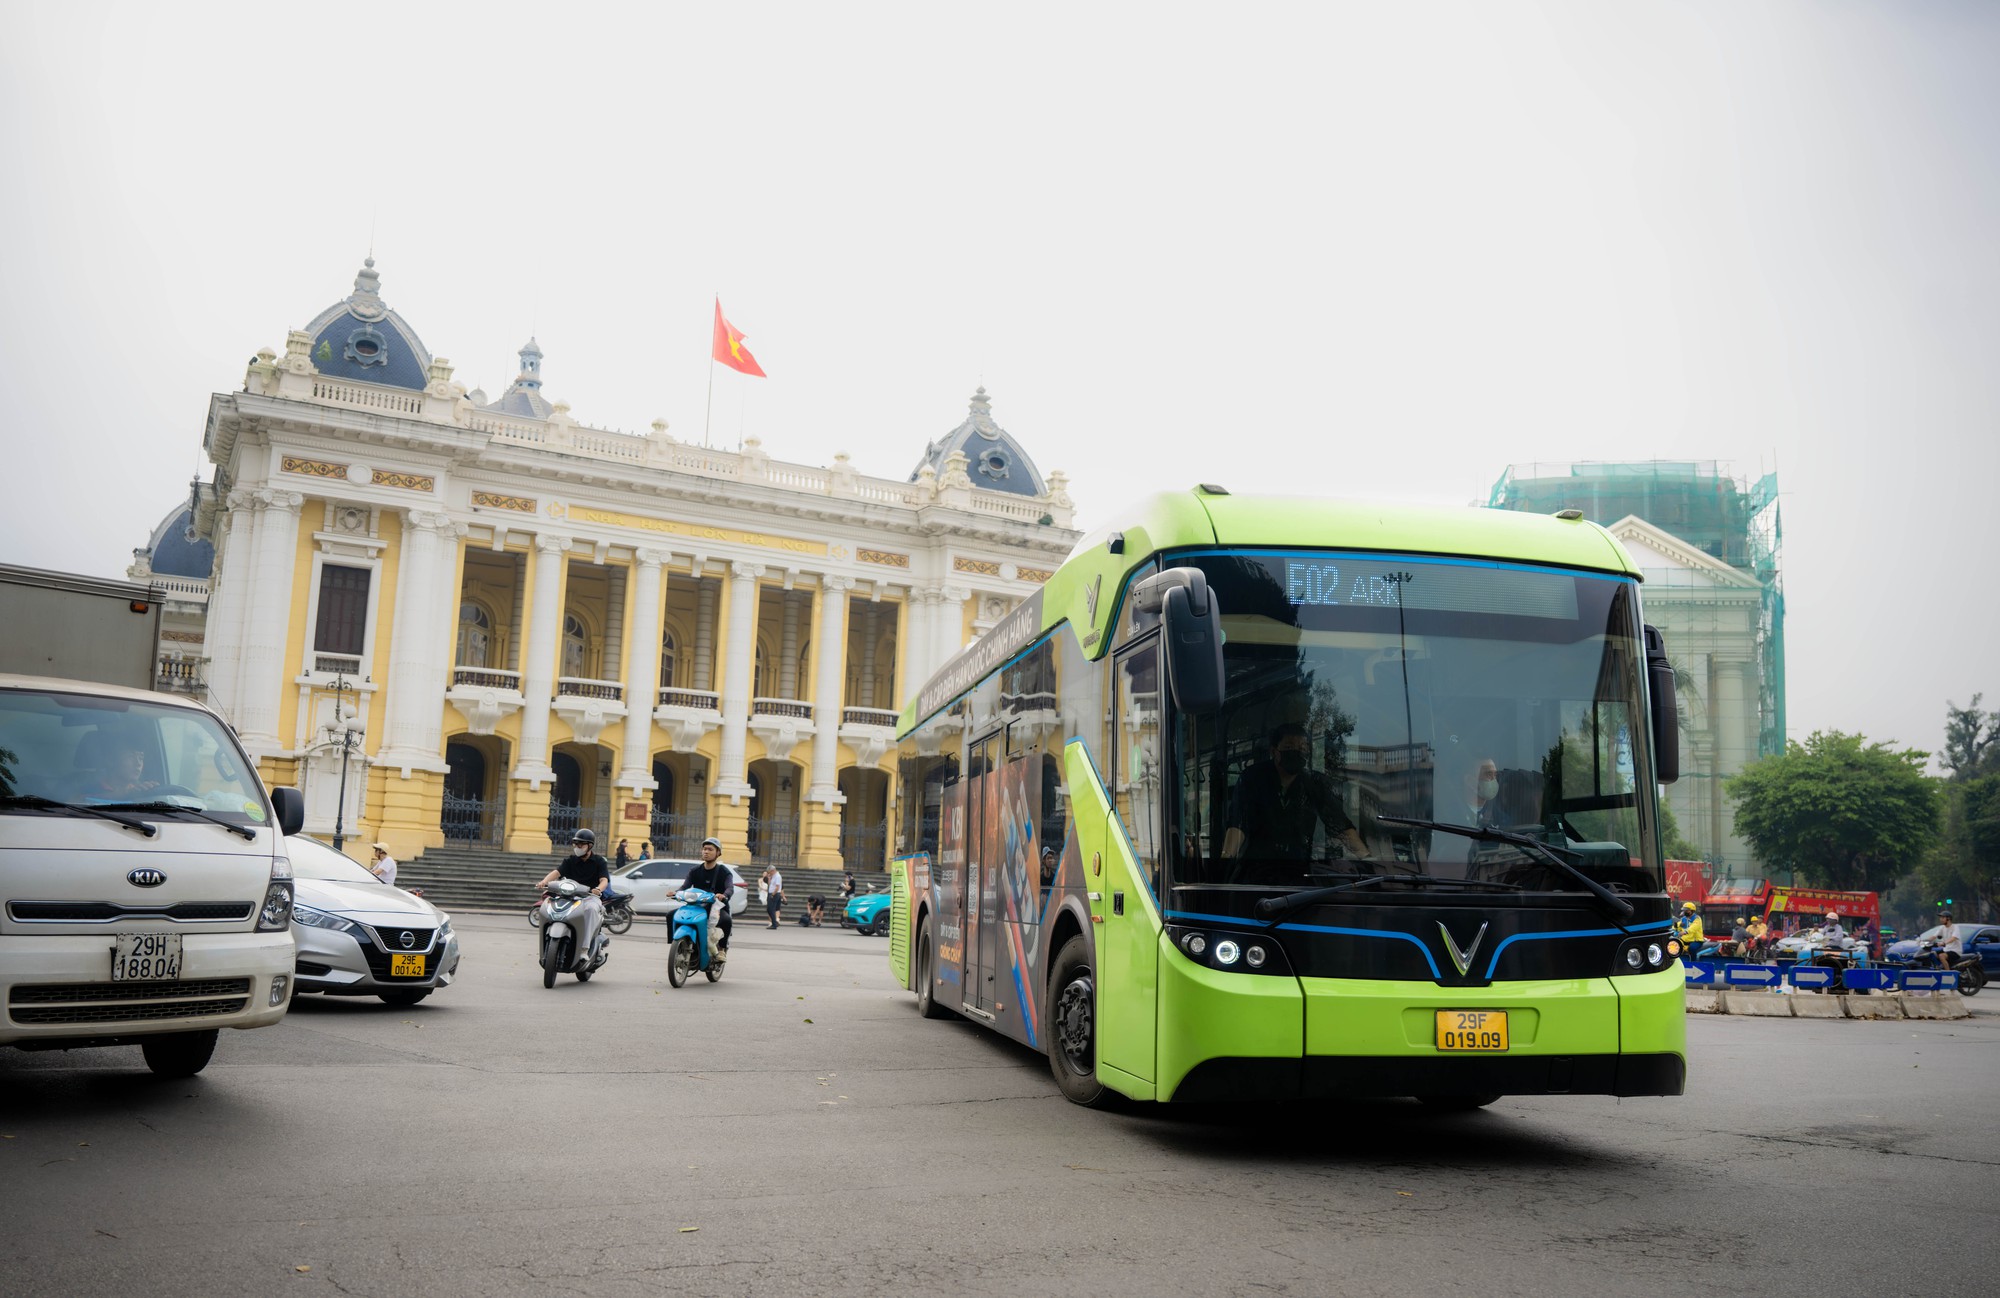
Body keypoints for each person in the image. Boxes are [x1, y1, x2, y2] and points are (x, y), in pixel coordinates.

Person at [1220, 723, 1367, 876]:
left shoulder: (1314, 782)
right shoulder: (1252, 778)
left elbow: (1339, 825)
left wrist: (1367, 858)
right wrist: (1224, 861)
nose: (1296, 752)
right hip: (1257, 872)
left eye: (1302, 748)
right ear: (1274, 751)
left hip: (1299, 873)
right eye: (1289, 747)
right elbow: (1238, 823)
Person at [537, 828, 610, 955]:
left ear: (590, 846)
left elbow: (604, 880)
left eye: (581, 844)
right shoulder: (570, 860)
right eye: (576, 844)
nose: (577, 847)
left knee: (591, 909)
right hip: (570, 896)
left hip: (590, 897)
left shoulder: (599, 861)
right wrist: (544, 881)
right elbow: (557, 872)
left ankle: (584, 949)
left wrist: (598, 889)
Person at [678, 837, 735, 952]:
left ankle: (722, 950)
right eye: (704, 849)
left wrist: (724, 895)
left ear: (718, 853)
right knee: (672, 915)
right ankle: (678, 944)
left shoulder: (724, 871)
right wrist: (676, 893)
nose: (706, 852)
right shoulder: (695, 871)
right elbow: (685, 886)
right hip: (696, 907)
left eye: (710, 849)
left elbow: (730, 888)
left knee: (727, 920)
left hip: (716, 908)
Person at [86, 737, 160, 801]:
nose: (138, 763)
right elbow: (83, 801)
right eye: (130, 756)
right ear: (110, 760)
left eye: (141, 758)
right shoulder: (90, 788)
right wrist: (123, 794)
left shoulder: (141, 791)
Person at [1462, 756, 1504, 828]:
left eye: (1495, 775)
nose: (1494, 780)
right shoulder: (1451, 815)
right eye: (1489, 774)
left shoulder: (1500, 818)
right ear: (1470, 781)